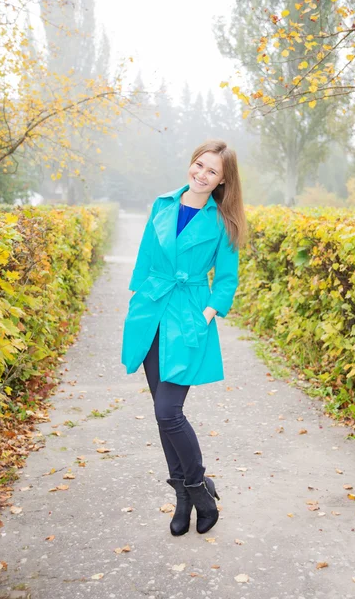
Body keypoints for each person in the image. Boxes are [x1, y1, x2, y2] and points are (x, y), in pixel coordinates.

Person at [121, 139, 247, 536]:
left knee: (167, 411)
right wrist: (139, 302)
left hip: (188, 318)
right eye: (199, 164)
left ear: (223, 180)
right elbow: (145, 255)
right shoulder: (162, 204)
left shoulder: (224, 221)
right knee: (163, 415)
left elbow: (226, 280)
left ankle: (198, 490)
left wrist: (207, 313)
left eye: (212, 171)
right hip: (151, 312)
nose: (201, 174)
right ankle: (183, 496)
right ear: (191, 164)